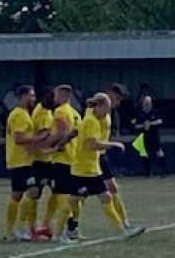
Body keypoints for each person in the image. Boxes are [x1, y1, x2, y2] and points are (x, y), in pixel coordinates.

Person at [52, 92, 145, 243]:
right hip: (82, 169)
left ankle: (122, 230)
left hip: (91, 168)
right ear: (99, 106)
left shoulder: (95, 119)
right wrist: (113, 144)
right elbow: (91, 144)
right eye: (107, 107)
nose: (109, 111)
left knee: (104, 197)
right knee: (73, 200)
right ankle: (58, 234)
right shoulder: (91, 121)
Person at [3, 85, 46, 241]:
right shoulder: (19, 115)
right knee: (33, 191)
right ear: (22, 97)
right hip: (20, 160)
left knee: (17, 195)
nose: (34, 99)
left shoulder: (23, 114)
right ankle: (21, 227)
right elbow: (19, 138)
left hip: (21, 159)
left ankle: (10, 230)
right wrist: (39, 138)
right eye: (31, 96)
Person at [40, 84, 82, 239]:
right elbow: (74, 133)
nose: (54, 98)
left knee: (62, 196)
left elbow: (61, 132)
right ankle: (71, 229)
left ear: (63, 96)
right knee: (71, 196)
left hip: (61, 159)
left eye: (56, 95)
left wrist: (49, 145)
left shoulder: (60, 111)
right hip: (73, 158)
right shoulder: (75, 113)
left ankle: (58, 234)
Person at [101, 83, 133, 228]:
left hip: (99, 155)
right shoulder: (95, 113)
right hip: (89, 158)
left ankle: (124, 223)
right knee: (77, 195)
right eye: (116, 98)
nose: (117, 103)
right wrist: (112, 144)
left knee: (111, 188)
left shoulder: (107, 114)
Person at [30, 90, 57, 240]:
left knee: (57, 192)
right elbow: (44, 137)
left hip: (47, 159)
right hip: (41, 160)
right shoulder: (42, 113)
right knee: (35, 194)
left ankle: (44, 225)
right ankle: (34, 227)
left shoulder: (46, 112)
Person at [132, 95, 166, 177]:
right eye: (145, 103)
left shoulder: (155, 112)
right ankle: (148, 173)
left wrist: (150, 124)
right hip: (144, 136)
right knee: (146, 154)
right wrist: (144, 126)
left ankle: (163, 171)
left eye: (148, 103)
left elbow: (160, 121)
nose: (147, 105)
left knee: (159, 152)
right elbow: (135, 125)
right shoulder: (139, 113)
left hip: (154, 135)